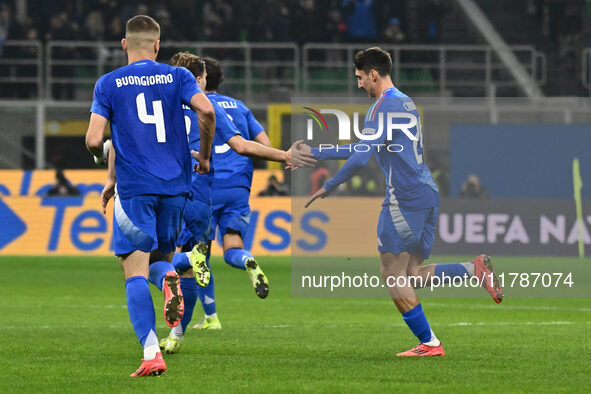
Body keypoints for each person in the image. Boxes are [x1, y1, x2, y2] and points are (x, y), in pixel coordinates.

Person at [297, 47, 503, 357]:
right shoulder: (405, 102)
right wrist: (317, 153)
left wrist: (329, 185)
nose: (358, 85)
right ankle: (472, 269)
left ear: (373, 75)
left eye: (359, 78)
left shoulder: (381, 107)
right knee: (410, 276)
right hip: (426, 194)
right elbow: (363, 146)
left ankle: (431, 343)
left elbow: (360, 159)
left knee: (392, 275)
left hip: (404, 199)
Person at [158, 52, 316, 353]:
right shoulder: (215, 107)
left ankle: (184, 324)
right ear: (199, 78)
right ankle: (178, 335)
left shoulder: (162, 107)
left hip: (174, 192)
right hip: (215, 189)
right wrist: (284, 155)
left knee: (165, 265)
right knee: (208, 254)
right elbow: (244, 145)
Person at [85, 15, 215, 377]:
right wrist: (203, 157)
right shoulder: (179, 76)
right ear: (158, 46)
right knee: (160, 259)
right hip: (176, 186)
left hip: (135, 189)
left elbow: (95, 140)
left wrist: (102, 159)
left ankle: (151, 351)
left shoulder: (108, 84)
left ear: (125, 44)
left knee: (133, 271)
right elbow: (206, 109)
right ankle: (170, 279)